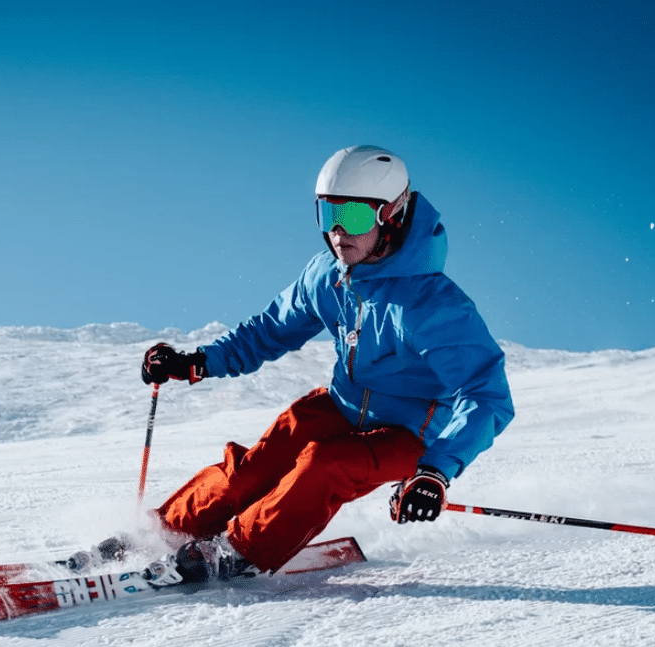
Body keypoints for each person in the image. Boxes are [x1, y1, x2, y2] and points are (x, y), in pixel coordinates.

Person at [140, 144, 515, 585]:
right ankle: (162, 532)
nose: (338, 233)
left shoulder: (432, 305)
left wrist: (436, 471)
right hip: (339, 406)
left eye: (353, 217)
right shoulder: (327, 274)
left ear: (390, 214)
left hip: (409, 434)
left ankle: (235, 552)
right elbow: (269, 331)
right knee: (254, 470)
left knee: (325, 464)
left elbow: (486, 396)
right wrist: (197, 361)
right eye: (326, 215)